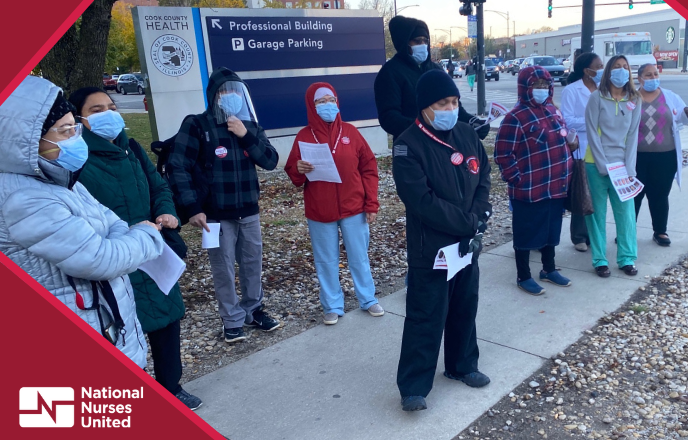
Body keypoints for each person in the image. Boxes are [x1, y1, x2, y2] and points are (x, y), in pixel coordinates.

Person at [0, 76, 159, 368]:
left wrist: (120, 238)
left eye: (74, 127)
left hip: (105, 322)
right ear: (25, 141)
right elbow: (100, 259)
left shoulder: (58, 179)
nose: (75, 137)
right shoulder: (24, 199)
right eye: (64, 131)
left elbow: (114, 222)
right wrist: (146, 236)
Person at [68, 87, 202, 410]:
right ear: (80, 119)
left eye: (112, 106)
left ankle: (172, 386)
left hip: (153, 249)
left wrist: (165, 210)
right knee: (125, 327)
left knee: (168, 316)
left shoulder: (133, 149)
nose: (109, 114)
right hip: (113, 255)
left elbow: (159, 187)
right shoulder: (77, 160)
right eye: (97, 109)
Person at [392, 69, 492, 412]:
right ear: (424, 107)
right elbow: (421, 201)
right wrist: (469, 222)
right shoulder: (408, 144)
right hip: (431, 246)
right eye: (442, 103)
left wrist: (478, 216)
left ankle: (462, 364)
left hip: (466, 245)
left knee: (465, 306)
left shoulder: (465, 133)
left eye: (454, 101)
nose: (450, 108)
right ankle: (414, 386)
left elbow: (483, 177)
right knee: (426, 314)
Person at [168, 67, 281, 343]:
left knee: (253, 263)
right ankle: (231, 320)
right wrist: (193, 207)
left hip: (249, 211)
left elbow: (270, 160)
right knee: (223, 267)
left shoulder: (249, 125)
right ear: (214, 96)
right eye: (225, 91)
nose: (231, 96)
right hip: (214, 215)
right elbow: (178, 166)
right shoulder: (196, 124)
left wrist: (245, 135)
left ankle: (253, 310)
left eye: (235, 91)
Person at [284, 83, 383, 325]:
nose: (328, 105)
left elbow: (369, 168)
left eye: (331, 99)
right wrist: (298, 169)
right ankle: (332, 305)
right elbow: (294, 175)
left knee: (359, 256)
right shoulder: (304, 136)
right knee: (326, 259)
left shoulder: (350, 132)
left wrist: (371, 203)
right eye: (321, 101)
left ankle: (368, 299)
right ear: (312, 106)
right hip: (320, 210)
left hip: (354, 207)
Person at [495, 66, 576, 295]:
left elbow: (562, 135)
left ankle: (548, 269)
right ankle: (523, 276)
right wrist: (516, 180)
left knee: (551, 230)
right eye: (536, 85)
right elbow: (503, 153)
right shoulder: (515, 117)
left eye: (545, 84)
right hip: (529, 190)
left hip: (555, 187)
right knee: (526, 233)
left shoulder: (553, 110)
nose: (541, 89)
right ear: (525, 87)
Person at [373, 15, 489, 141]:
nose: (422, 45)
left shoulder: (436, 69)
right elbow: (389, 117)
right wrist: (423, 128)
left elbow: (455, 107)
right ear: (405, 43)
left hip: (444, 142)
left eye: (425, 41)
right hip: (412, 145)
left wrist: (472, 122)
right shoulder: (390, 73)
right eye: (417, 41)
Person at [584, 55, 642, 278]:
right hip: (596, 165)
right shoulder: (597, 98)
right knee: (597, 214)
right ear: (608, 71)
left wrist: (629, 169)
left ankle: (627, 258)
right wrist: (602, 164)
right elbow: (591, 132)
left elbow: (632, 136)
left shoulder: (635, 99)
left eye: (625, 67)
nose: (622, 71)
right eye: (617, 67)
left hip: (622, 168)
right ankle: (599, 259)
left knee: (626, 214)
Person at [634, 64, 688, 247]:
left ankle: (660, 231)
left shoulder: (669, 96)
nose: (653, 78)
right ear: (640, 78)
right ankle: (628, 231)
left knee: (660, 195)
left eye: (655, 74)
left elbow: (682, 117)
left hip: (665, 156)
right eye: (648, 75)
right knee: (634, 196)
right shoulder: (631, 98)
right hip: (637, 157)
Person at [560, 52, 603, 252]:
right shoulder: (571, 91)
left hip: (601, 148)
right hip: (581, 147)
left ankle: (594, 234)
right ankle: (579, 236)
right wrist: (593, 121)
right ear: (587, 71)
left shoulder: (604, 89)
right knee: (581, 191)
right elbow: (567, 121)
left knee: (597, 193)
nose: (603, 69)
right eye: (599, 66)